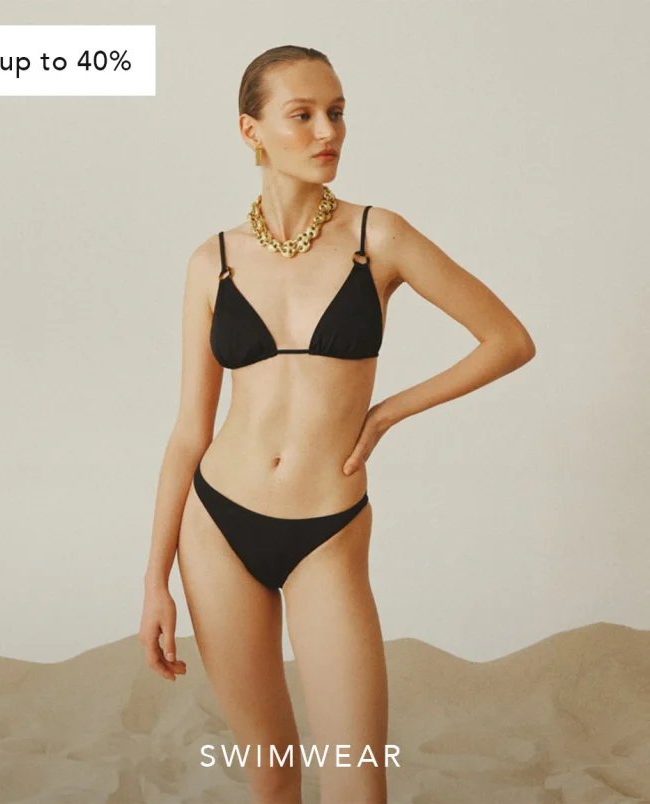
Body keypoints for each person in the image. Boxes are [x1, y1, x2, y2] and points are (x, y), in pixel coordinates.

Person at [139, 45, 536, 804]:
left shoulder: (377, 237)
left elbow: (508, 341)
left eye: (337, 112)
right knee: (272, 773)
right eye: (303, 115)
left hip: (327, 528)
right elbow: (190, 430)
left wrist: (387, 412)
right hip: (216, 526)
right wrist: (155, 580)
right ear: (251, 130)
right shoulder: (212, 261)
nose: (328, 131)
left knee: (356, 779)